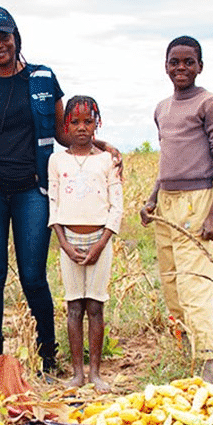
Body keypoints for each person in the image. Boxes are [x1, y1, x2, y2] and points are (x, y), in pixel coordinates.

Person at [0, 6, 121, 375]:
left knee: (33, 275)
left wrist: (103, 145)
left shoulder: (43, 78)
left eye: (4, 36)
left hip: (33, 190)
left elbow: (65, 134)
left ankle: (48, 352)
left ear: (16, 37)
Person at [139, 35, 213, 384]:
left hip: (198, 200)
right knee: (172, 283)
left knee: (196, 285)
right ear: (165, 66)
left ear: (200, 67)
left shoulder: (210, 104)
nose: (181, 68)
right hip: (167, 203)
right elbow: (168, 162)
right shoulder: (162, 108)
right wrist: (152, 199)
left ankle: (208, 363)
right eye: (174, 62)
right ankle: (186, 350)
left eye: (188, 62)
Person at [48, 96, 123, 392]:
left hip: (99, 241)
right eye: (75, 122)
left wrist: (101, 243)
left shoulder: (107, 160)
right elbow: (53, 203)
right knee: (74, 306)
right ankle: (77, 373)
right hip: (71, 241)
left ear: (97, 124)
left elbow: (116, 205)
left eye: (88, 122)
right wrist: (64, 243)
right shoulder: (57, 160)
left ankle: (95, 373)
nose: (82, 128)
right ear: (66, 124)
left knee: (95, 306)